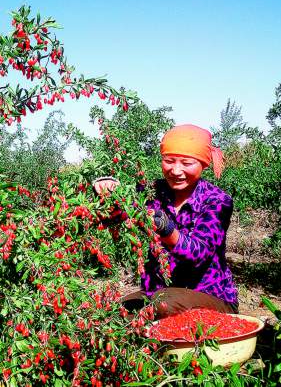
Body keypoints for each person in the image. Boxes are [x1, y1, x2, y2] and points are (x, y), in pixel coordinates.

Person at [93, 124, 238, 318]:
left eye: (186, 163)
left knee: (159, 306)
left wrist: (166, 228)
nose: (176, 171)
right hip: (157, 293)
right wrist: (108, 189)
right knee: (112, 314)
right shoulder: (153, 191)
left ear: (203, 164)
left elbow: (199, 253)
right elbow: (116, 214)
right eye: (169, 161)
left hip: (209, 296)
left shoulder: (217, 201)